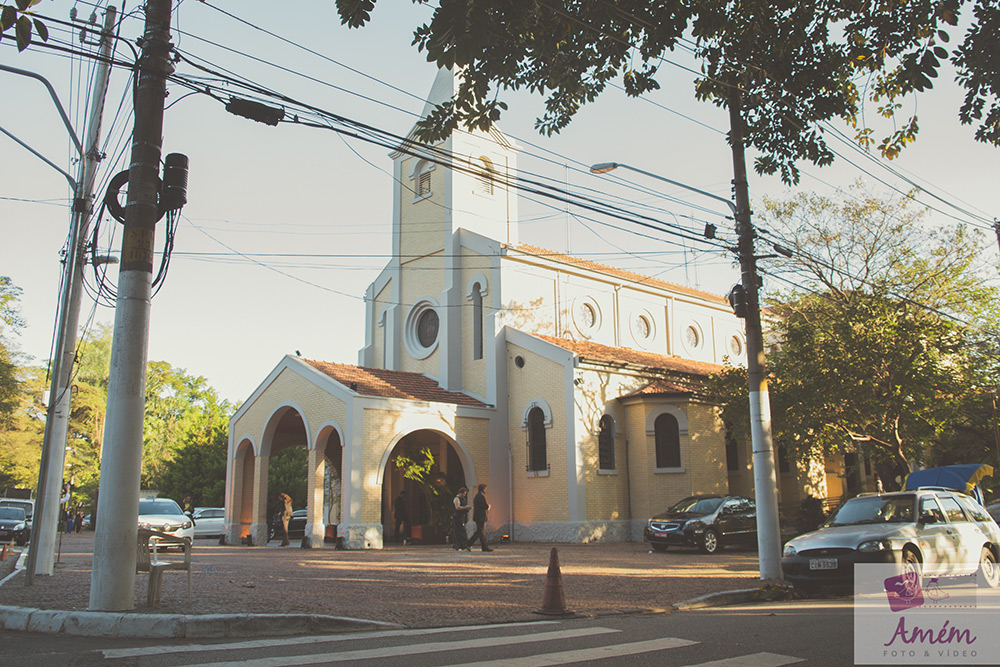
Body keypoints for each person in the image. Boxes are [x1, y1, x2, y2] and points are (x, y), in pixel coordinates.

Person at [467, 483, 493, 552]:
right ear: (483, 489)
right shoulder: (481, 496)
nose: (486, 490)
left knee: (481, 533)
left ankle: (484, 547)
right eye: (485, 489)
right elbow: (483, 506)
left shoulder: (477, 496)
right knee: (479, 532)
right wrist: (488, 506)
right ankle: (468, 543)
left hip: (477, 517)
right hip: (480, 517)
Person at [452, 487, 471, 551]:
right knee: (459, 530)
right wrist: (465, 507)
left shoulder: (463, 499)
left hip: (462, 516)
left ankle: (463, 545)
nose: (465, 495)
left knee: (462, 530)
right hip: (458, 516)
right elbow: (457, 507)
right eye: (464, 493)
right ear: (461, 493)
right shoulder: (456, 499)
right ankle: (458, 545)